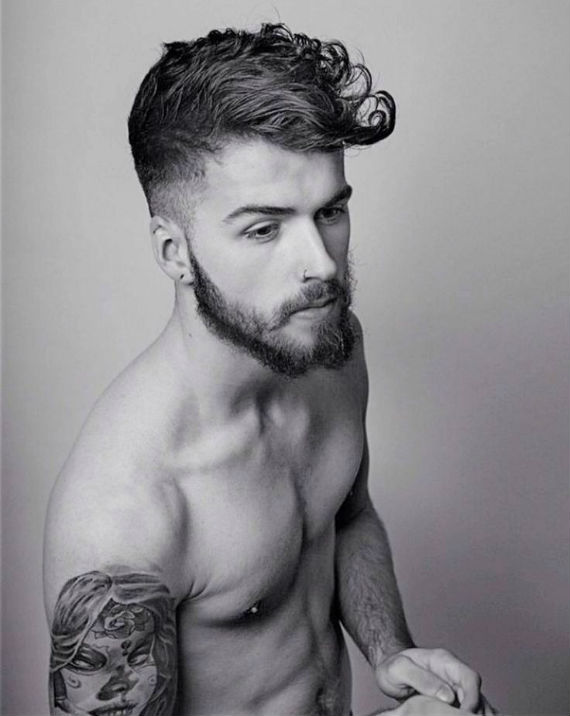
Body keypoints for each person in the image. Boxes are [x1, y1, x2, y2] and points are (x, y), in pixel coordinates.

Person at [44, 23, 497, 716]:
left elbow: (346, 516)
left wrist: (391, 653)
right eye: (264, 228)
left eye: (331, 212)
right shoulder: (125, 520)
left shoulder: (328, 349)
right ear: (174, 252)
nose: (321, 265)